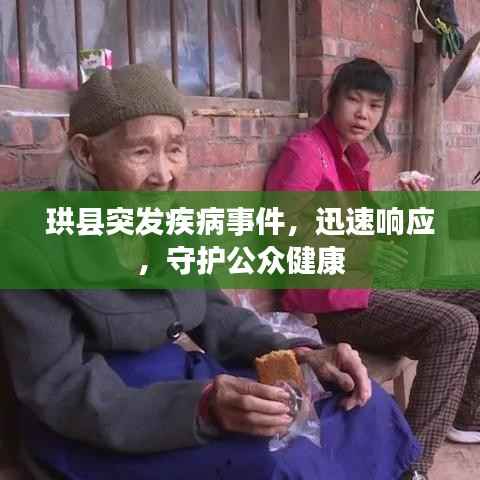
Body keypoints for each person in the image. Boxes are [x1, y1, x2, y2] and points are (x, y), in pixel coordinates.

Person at [0, 64, 420, 480]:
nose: (163, 175)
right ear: (85, 154)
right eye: (141, 152)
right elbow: (61, 388)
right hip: (102, 421)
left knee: (362, 408)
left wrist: (301, 354)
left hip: (183, 384)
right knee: (279, 462)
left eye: (175, 149)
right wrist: (202, 406)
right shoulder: (30, 241)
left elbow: (217, 315)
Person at [266, 57, 480, 480]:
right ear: (332, 99)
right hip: (335, 301)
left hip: (371, 287)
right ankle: (411, 466)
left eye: (375, 105)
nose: (363, 114)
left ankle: (466, 415)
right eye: (354, 100)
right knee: (455, 326)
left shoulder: (351, 159)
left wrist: (406, 211)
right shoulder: (306, 152)